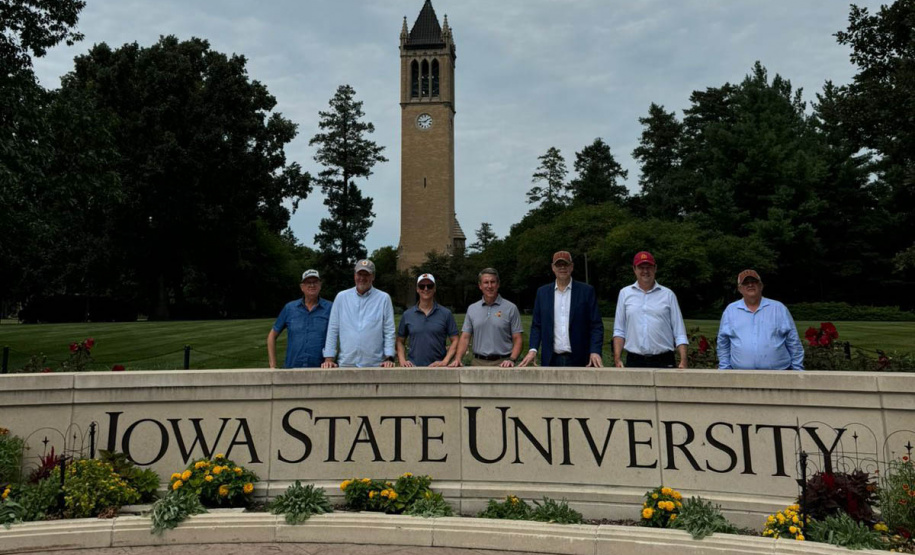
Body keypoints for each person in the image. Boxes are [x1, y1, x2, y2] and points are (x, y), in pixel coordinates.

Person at [519, 251, 604, 367]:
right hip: (551, 359)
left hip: (580, 359)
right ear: (553, 268)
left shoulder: (586, 291)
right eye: (559, 265)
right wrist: (533, 349)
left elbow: (596, 325)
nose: (562, 267)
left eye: (566, 264)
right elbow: (537, 325)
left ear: (572, 266)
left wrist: (595, 351)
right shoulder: (542, 293)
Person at [612, 251, 688, 369]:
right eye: (641, 267)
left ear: (655, 268)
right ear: (634, 269)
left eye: (649, 267)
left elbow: (679, 331)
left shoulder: (668, 295)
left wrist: (683, 360)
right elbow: (619, 330)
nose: (645, 271)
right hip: (634, 360)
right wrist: (617, 358)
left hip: (664, 360)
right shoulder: (624, 294)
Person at [717, 269, 804, 370]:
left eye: (754, 282)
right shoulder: (730, 310)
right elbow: (723, 343)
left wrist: (798, 371)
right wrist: (725, 370)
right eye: (745, 283)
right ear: (739, 289)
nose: (750, 285)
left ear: (761, 286)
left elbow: (793, 341)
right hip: (740, 375)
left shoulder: (778, 308)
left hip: (779, 374)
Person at [321, 259, 396, 368]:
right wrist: (329, 358)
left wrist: (389, 357)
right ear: (354, 275)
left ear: (373, 277)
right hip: (346, 363)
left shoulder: (383, 298)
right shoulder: (342, 297)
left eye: (366, 274)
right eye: (359, 274)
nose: (362, 278)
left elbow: (389, 330)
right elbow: (333, 328)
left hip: (374, 364)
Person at [449, 268, 523, 367]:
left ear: (498, 284)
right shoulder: (472, 309)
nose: (489, 286)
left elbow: (517, 338)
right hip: (478, 363)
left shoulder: (510, 308)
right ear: (480, 285)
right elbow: (465, 337)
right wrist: (458, 359)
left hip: (503, 364)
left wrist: (512, 359)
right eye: (486, 282)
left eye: (493, 282)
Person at [267, 269, 332, 368]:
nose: (312, 285)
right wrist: (272, 366)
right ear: (302, 287)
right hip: (292, 369)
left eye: (315, 282)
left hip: (320, 370)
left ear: (320, 285)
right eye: (308, 283)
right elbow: (272, 335)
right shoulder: (290, 308)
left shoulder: (330, 308)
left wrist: (330, 359)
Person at [396, 273, 459, 367]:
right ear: (417, 289)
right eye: (422, 286)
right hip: (414, 369)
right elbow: (400, 341)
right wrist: (402, 360)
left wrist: (445, 361)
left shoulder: (446, 314)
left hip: (438, 369)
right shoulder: (407, 315)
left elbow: (455, 340)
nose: (426, 289)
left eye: (429, 286)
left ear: (434, 289)